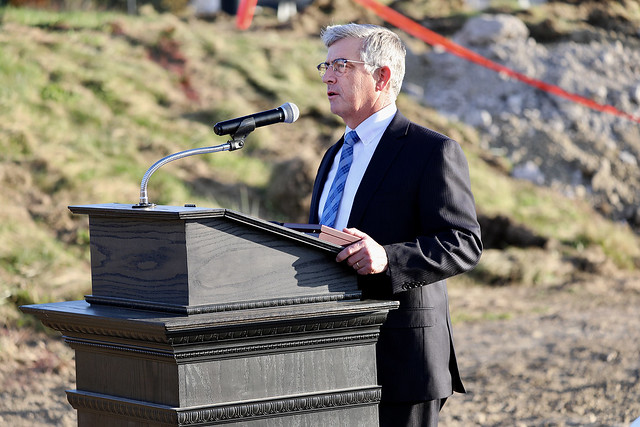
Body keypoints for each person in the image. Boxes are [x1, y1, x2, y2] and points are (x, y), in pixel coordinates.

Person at [308, 23, 483, 426]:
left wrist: (387, 259)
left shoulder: (431, 151)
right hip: (332, 354)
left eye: (341, 65)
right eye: (326, 66)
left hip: (402, 358)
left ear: (382, 76)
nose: (327, 76)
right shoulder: (334, 155)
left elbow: (463, 241)